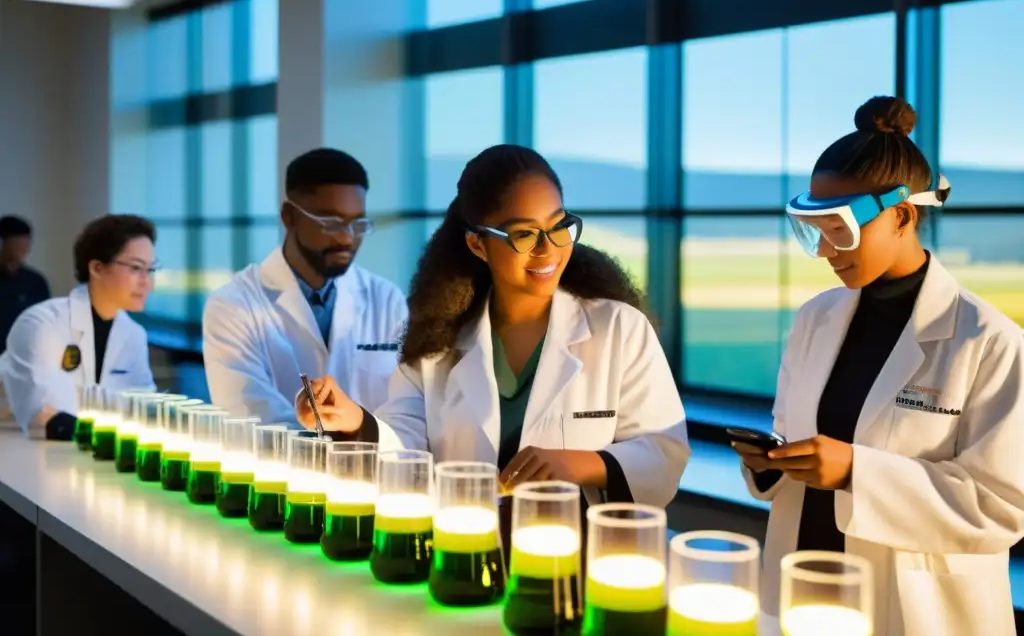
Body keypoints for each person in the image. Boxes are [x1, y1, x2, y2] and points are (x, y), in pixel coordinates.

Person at [733, 96, 1024, 636]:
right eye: (812, 229)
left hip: (918, 609)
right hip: (806, 586)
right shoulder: (814, 319)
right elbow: (795, 435)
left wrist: (854, 472)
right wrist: (770, 461)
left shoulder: (990, 343)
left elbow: (1002, 507)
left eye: (839, 229)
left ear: (903, 215)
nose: (824, 250)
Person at [296, 144, 689, 509]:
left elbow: (664, 450)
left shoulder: (620, 329)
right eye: (523, 234)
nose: (547, 249)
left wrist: (583, 464)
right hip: (465, 551)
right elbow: (406, 444)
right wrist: (353, 421)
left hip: (578, 559)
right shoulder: (439, 343)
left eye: (558, 226)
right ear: (478, 245)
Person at [203, 148, 408, 425]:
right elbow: (248, 418)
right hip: (279, 467)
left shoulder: (386, 300)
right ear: (289, 216)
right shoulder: (233, 305)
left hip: (374, 466)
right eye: (331, 223)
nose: (347, 239)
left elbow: (405, 410)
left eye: (357, 224)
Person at [0, 214, 157, 439]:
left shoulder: (134, 335)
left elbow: (144, 407)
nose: (147, 283)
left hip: (83, 454)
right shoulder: (42, 324)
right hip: (17, 448)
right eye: (135, 268)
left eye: (150, 270)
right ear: (97, 268)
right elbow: (43, 416)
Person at [0, 215, 50, 354]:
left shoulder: (36, 282)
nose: (24, 248)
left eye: (27, 243)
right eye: (18, 243)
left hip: (24, 359)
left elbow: (45, 324)